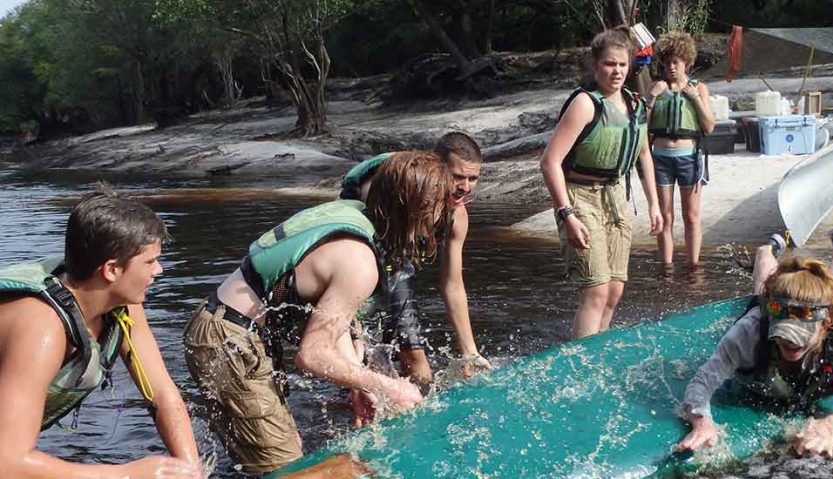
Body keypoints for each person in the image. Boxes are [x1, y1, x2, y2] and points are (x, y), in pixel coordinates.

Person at [183, 151, 453, 473]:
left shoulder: (354, 216)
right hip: (229, 342)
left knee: (282, 451)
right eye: (440, 206)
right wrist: (388, 386)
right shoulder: (360, 262)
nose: (443, 215)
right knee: (287, 469)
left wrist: (358, 382)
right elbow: (311, 355)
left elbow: (329, 317)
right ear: (417, 209)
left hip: (225, 329)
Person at [0, 187, 202, 478]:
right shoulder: (42, 329)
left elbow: (161, 393)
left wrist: (189, 469)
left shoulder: (123, 306)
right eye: (149, 262)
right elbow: (8, 462)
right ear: (111, 270)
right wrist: (127, 474)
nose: (159, 270)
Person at [676, 226, 833, 458]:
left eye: (798, 335)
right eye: (782, 333)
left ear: (824, 325)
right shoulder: (749, 332)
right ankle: (766, 250)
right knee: (762, 290)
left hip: (829, 311)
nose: (788, 342)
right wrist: (702, 423)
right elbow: (700, 385)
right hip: (767, 305)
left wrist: (829, 425)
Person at [339, 132, 491, 387]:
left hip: (398, 260)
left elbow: (452, 285)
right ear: (436, 167)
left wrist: (469, 352)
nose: (465, 187)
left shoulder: (457, 216)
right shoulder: (392, 187)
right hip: (367, 252)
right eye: (457, 177)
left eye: (472, 178)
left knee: (396, 349)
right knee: (399, 355)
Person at [541, 28, 664, 340]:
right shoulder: (584, 104)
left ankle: (599, 354)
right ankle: (581, 364)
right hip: (580, 198)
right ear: (595, 66)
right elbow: (550, 162)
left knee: (614, 291)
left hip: (616, 198)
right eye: (609, 64)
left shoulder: (637, 105)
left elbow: (644, 155)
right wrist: (567, 215)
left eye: (622, 64)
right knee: (595, 289)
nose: (617, 71)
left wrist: (654, 205)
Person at [646, 31, 715, 270]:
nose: (671, 67)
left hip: (689, 158)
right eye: (666, 62)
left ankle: (693, 267)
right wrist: (651, 100)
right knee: (665, 217)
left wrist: (695, 98)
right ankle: (666, 269)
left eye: (676, 62)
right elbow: (641, 126)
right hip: (660, 159)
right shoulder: (656, 88)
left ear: (686, 62)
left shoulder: (699, 88)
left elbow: (709, 126)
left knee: (692, 217)